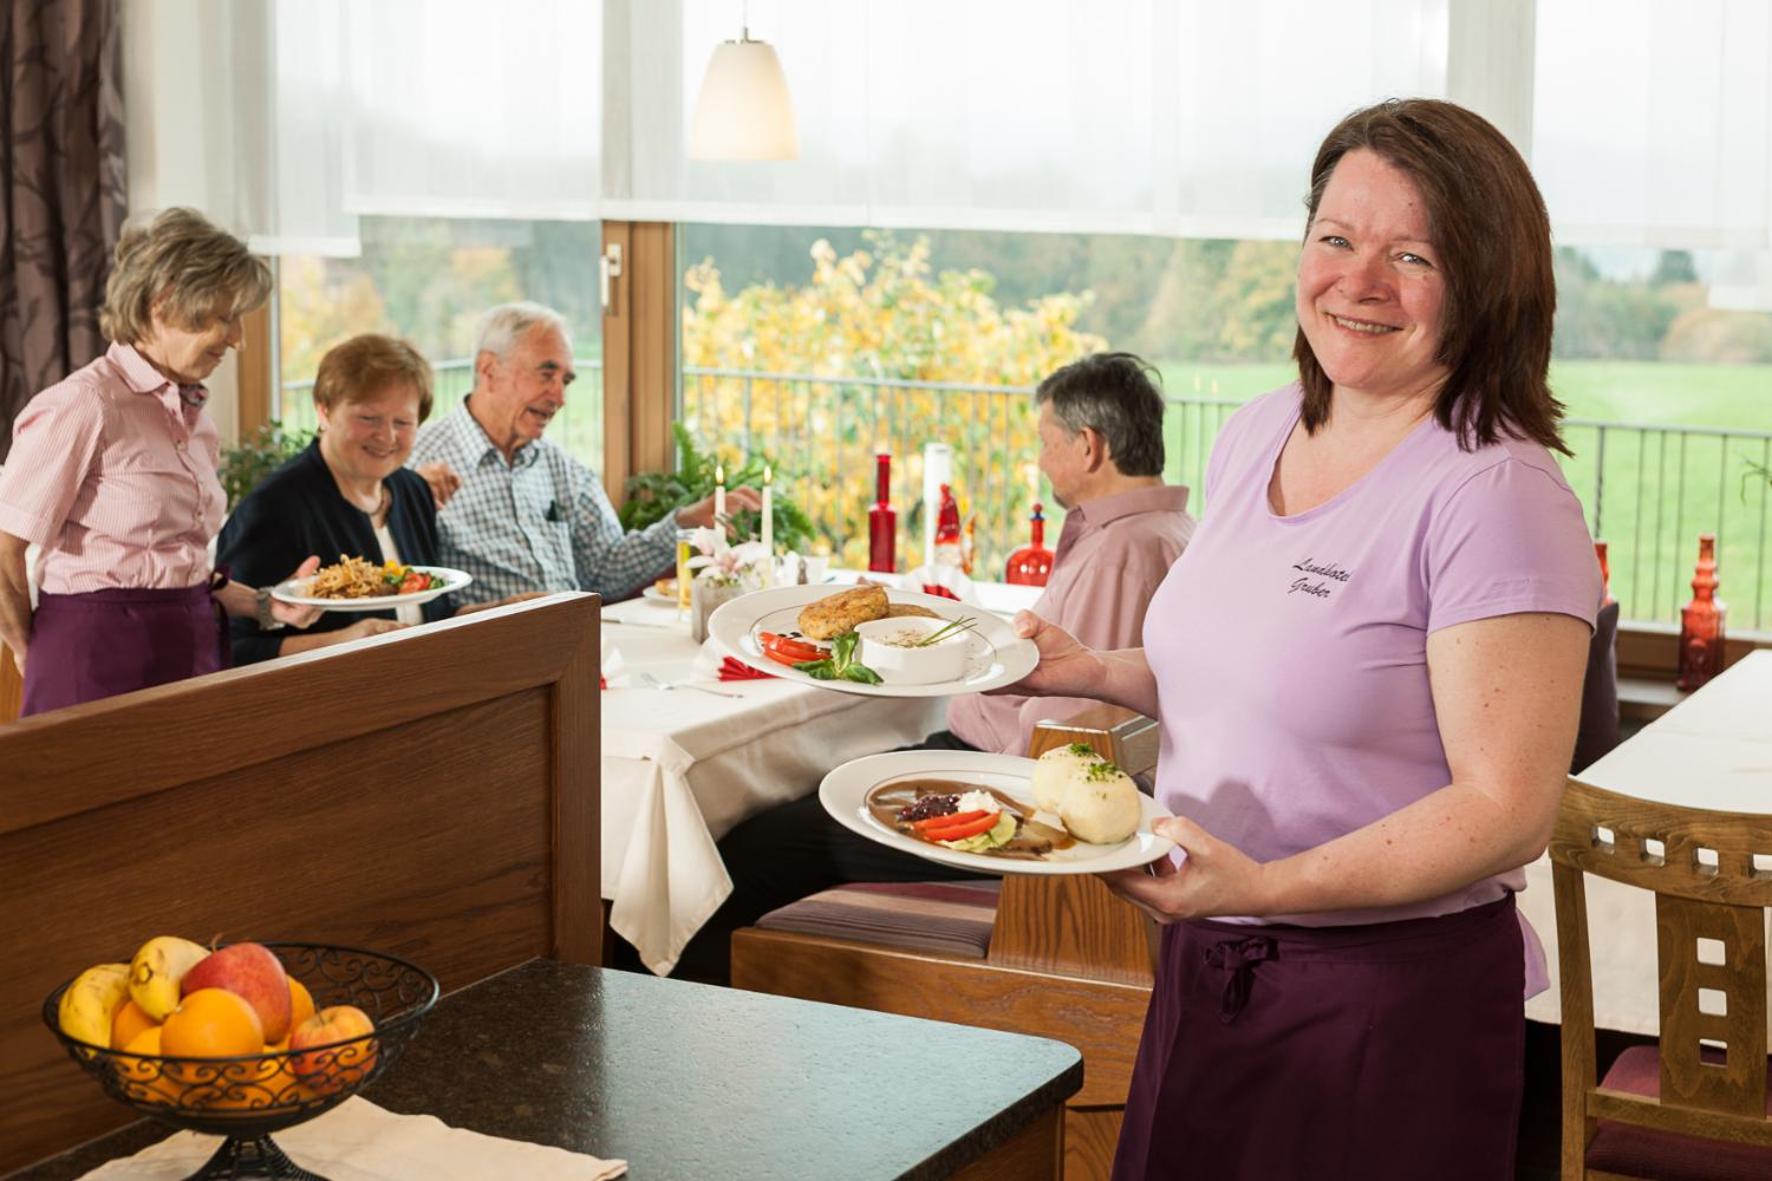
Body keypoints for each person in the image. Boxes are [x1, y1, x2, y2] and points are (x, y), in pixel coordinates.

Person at [1010, 100, 1600, 1180]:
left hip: (1384, 1006)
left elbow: (1507, 808)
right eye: (1335, 237)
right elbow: (1262, 677)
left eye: (1411, 256)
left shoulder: (1496, 492)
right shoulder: (1260, 429)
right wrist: (1096, 671)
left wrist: (1261, 886)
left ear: (1487, 281)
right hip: (1208, 957)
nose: (1357, 281)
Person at [670, 352, 1196, 980]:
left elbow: (1064, 741)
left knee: (744, 855)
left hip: (999, 789)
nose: (1039, 460)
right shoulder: (1170, 529)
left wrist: (959, 801)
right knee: (814, 787)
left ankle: (680, 1014)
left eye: (1045, 441)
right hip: (988, 763)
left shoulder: (1120, 554)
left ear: (1088, 446)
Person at [0, 208, 319, 716]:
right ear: (164, 301)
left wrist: (266, 605)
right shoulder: (84, 404)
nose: (237, 338)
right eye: (225, 317)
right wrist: (28, 652)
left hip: (192, 645)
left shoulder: (196, 421)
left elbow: (174, 564)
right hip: (93, 657)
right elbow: (4, 550)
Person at [408, 302, 759, 606]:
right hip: (484, 653)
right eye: (546, 374)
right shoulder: (416, 467)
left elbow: (607, 571)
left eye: (565, 381)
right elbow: (411, 597)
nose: (559, 398)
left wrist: (688, 521)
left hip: (579, 646)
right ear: (489, 370)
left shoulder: (564, 469)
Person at [219, 334, 542, 663]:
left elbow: (427, 616)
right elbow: (230, 649)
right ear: (324, 411)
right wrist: (341, 642)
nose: (387, 436)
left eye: (402, 422)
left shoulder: (412, 490)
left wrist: (499, 611)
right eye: (368, 418)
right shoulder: (274, 507)